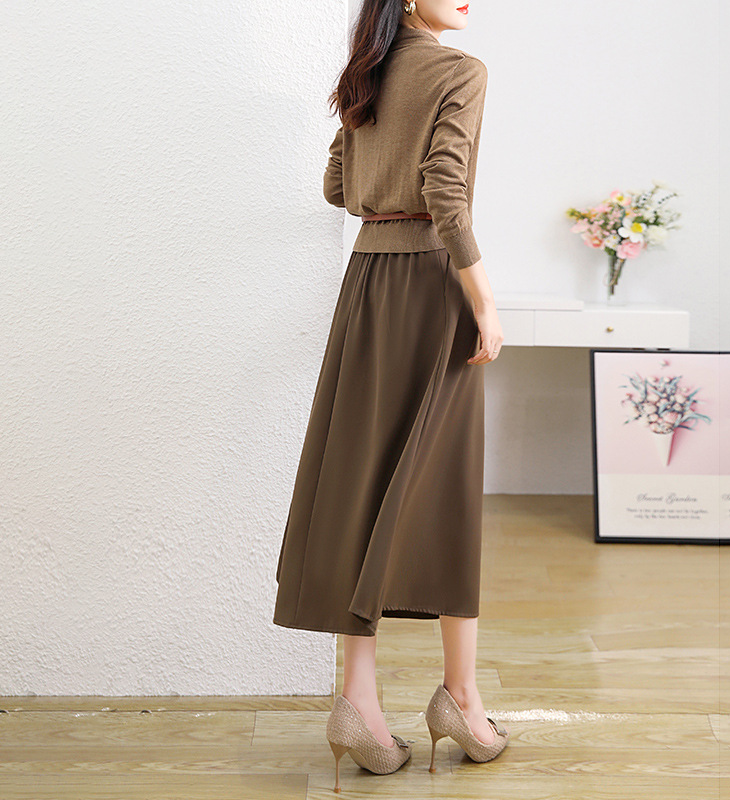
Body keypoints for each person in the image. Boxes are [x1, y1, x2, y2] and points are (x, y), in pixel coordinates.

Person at [273, 0, 508, 790]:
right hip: (432, 288)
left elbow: (339, 188)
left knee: (360, 483)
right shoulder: (459, 71)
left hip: (367, 285)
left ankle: (360, 703)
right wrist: (484, 303)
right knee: (447, 491)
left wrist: (380, 170)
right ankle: (462, 699)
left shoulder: (365, 73)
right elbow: (446, 193)